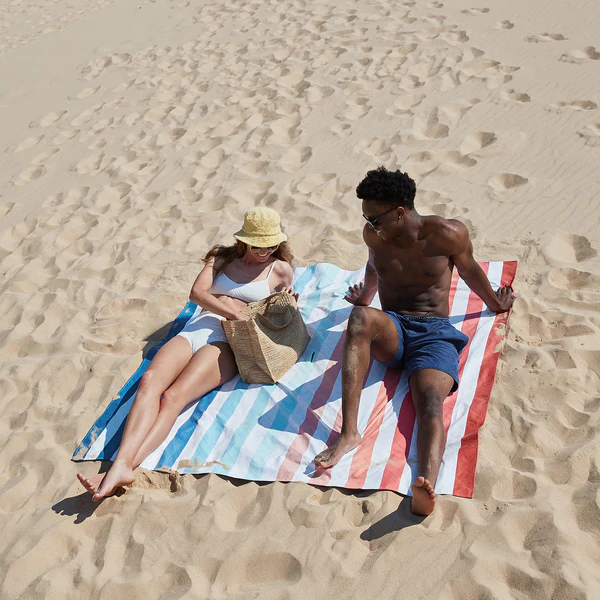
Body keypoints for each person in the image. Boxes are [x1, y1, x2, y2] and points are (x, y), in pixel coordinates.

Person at [313, 167, 514, 516]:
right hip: (393, 328)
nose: (369, 225)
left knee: (430, 401)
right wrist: (365, 298)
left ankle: (425, 485)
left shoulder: (447, 234)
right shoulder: (375, 235)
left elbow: (470, 271)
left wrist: (496, 304)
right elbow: (374, 267)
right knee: (360, 317)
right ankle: (349, 433)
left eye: (374, 218)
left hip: (434, 331)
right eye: (366, 218)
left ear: (399, 212)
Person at [78, 207, 296, 501]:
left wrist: (287, 303)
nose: (265, 250)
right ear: (245, 240)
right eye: (259, 245)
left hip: (230, 341)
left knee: (172, 398)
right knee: (149, 382)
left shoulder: (280, 270)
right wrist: (232, 310)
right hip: (198, 327)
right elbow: (196, 294)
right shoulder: (222, 259)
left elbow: (280, 317)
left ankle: (120, 468)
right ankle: (121, 467)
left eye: (271, 244)